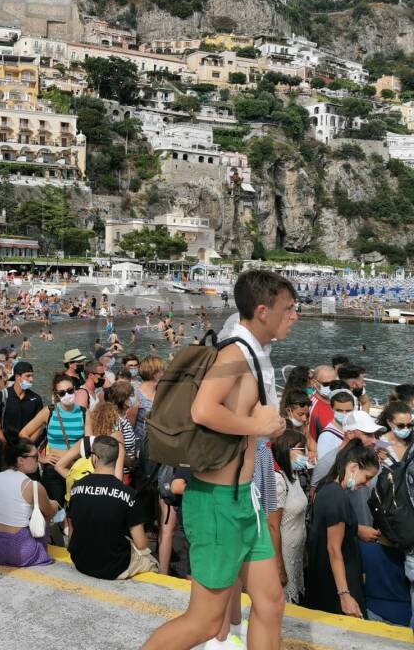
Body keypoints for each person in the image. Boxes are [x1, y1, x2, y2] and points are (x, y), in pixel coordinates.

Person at [142, 269, 295, 650]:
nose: (295, 315)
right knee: (205, 622)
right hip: (216, 503)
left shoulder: (254, 354)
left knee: (271, 602)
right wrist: (256, 426)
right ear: (263, 311)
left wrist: (259, 426)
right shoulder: (234, 354)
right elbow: (203, 409)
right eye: (289, 308)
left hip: (244, 499)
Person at [306, 440, 379, 618]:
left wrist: (356, 529)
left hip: (330, 578)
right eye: (367, 477)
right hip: (337, 584)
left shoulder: (326, 487)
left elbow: (331, 527)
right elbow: (333, 549)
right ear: (353, 467)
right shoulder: (336, 497)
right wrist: (345, 595)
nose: (368, 484)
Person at [68, 435, 156, 580]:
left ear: (94, 458)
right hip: (114, 567)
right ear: (116, 459)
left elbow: (72, 530)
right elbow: (141, 544)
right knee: (152, 562)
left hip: (80, 561)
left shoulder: (76, 487)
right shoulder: (128, 494)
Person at [0, 432, 58, 567]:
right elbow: (50, 512)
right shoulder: (32, 486)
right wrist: (55, 504)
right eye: (35, 457)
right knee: (45, 510)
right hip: (19, 552)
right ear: (20, 460)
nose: (38, 460)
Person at [19, 373, 85, 506]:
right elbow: (24, 433)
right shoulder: (48, 411)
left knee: (76, 509)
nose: (67, 395)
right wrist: (39, 457)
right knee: (56, 508)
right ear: (56, 395)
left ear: (75, 390)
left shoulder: (84, 413)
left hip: (77, 467)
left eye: (70, 391)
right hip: (53, 468)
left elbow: (89, 441)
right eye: (62, 393)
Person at [270, 429, 308, 604]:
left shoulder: (294, 477)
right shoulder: (278, 481)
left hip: (295, 555)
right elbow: (272, 526)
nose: (305, 455)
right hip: (283, 556)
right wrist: (279, 567)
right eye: (301, 450)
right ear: (287, 450)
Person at [0, 361, 43, 470]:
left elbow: (40, 425)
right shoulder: (2, 396)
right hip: (5, 451)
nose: (31, 379)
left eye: (32, 376)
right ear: (18, 377)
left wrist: (28, 445)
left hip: (27, 453)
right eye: (28, 376)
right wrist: (6, 443)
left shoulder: (36, 399)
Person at [311, 410, 384, 487]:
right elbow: (315, 495)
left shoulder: (373, 460)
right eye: (368, 435)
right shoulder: (328, 462)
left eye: (375, 435)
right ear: (350, 434)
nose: (375, 441)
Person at [316, 389, 355, 459]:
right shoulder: (326, 437)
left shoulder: (357, 427)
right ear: (331, 409)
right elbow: (324, 465)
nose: (344, 414)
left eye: (348, 411)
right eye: (339, 410)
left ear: (353, 409)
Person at [133, 356, 164, 444]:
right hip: (140, 444)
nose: (164, 373)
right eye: (162, 370)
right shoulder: (135, 394)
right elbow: (130, 425)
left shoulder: (161, 392)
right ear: (154, 373)